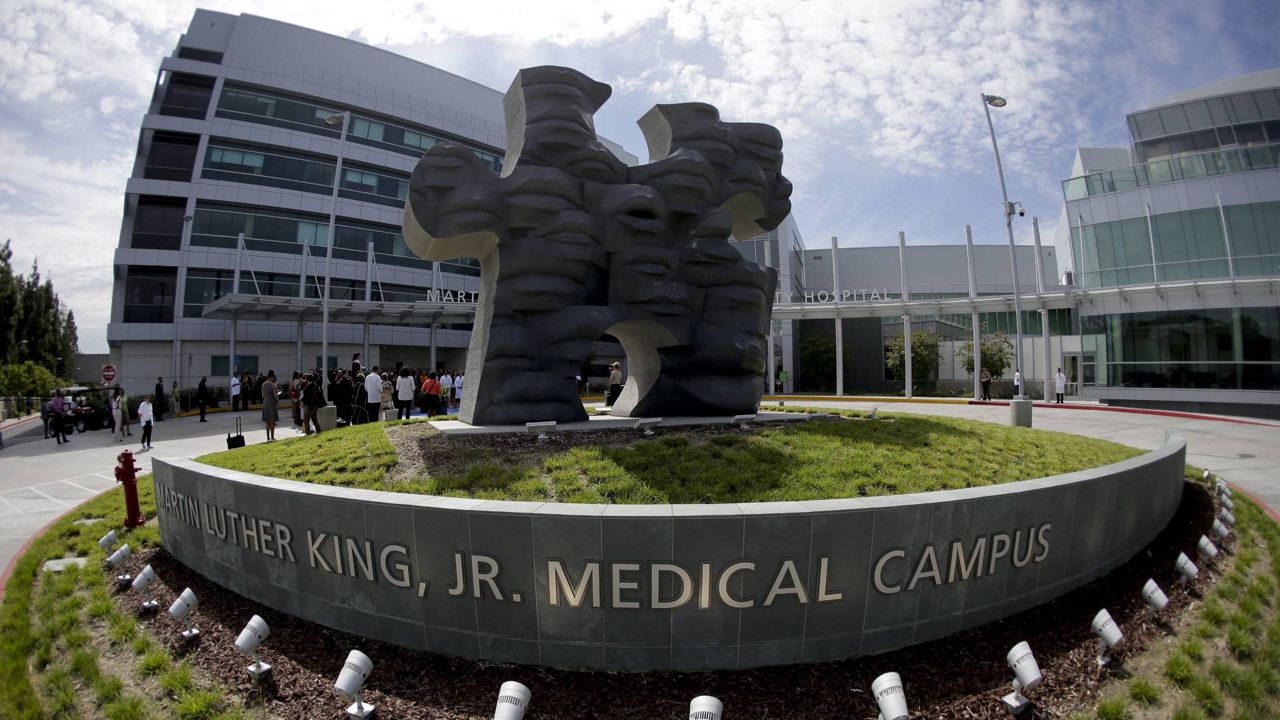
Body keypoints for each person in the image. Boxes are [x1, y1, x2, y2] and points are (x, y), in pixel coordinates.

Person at [261, 371, 280, 440]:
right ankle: (272, 436)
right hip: (272, 403)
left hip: (265, 403)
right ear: (272, 377)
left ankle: (268, 437)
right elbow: (275, 396)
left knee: (267, 422)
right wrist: (277, 395)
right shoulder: (273, 385)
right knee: (272, 421)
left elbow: (263, 395)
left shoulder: (263, 384)